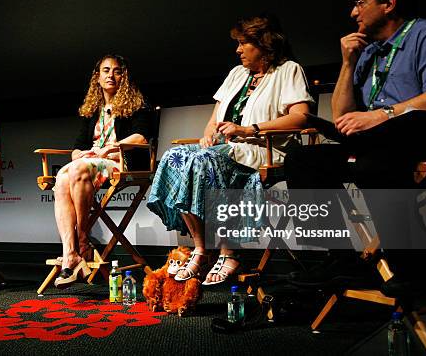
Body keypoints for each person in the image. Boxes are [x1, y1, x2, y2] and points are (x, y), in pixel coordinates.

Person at [285, 0, 426, 294]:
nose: (353, 12)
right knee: (302, 159)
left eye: (360, 3)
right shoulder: (366, 51)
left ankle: (415, 267)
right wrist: (348, 64)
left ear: (389, 4)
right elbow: (341, 115)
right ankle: (343, 260)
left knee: (375, 162)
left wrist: (382, 114)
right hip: (376, 139)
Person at [147, 16, 314, 286]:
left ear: (265, 45)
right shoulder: (237, 74)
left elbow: (301, 117)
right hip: (227, 149)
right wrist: (207, 135)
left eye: (243, 43)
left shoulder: (288, 70)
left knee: (203, 161)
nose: (237, 50)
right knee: (173, 156)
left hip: (263, 149)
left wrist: (250, 129)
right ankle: (201, 248)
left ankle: (229, 251)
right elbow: (214, 120)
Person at [52, 54, 151, 288]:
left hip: (120, 161)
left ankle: (82, 242)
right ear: (97, 77)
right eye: (105, 70)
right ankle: (70, 254)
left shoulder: (136, 105)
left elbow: (141, 137)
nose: (111, 75)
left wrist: (110, 148)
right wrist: (83, 154)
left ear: (124, 77)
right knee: (63, 176)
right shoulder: (92, 110)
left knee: (77, 170)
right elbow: (77, 147)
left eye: (117, 71)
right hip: (91, 162)